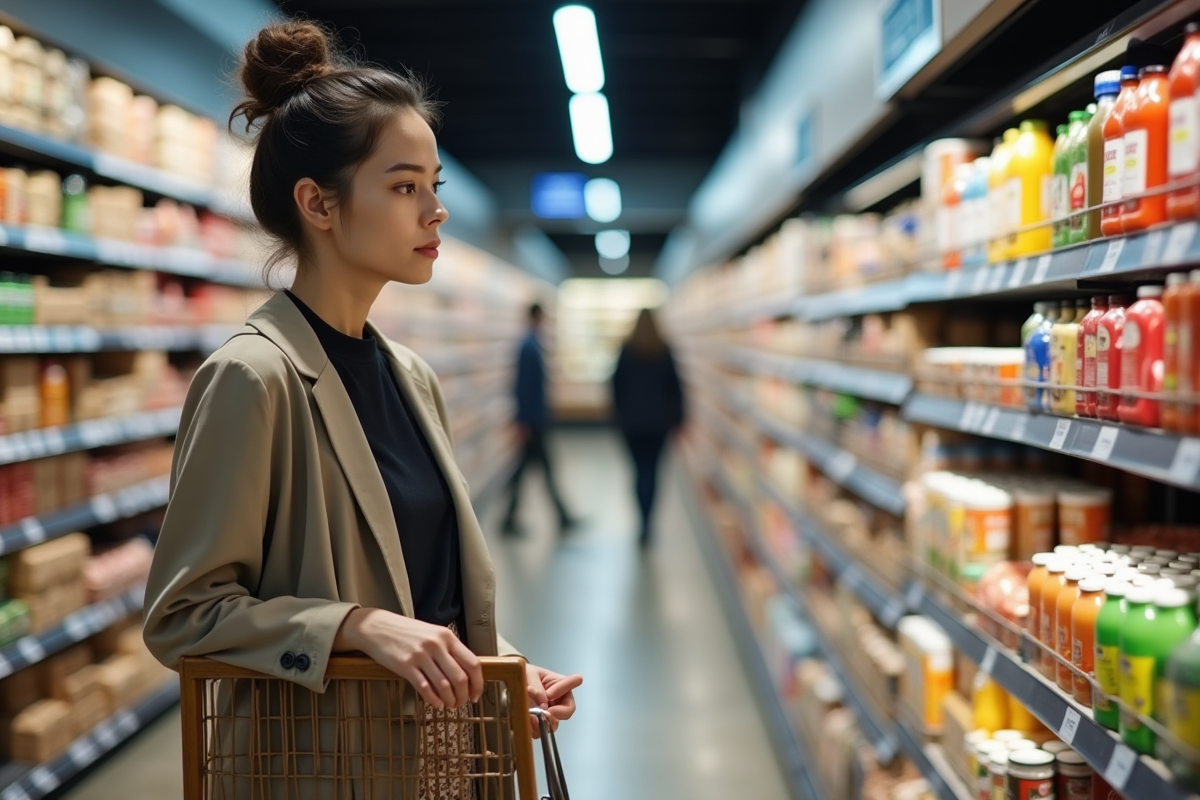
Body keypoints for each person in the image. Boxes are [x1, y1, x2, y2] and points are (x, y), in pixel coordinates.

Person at [141, 20, 581, 797]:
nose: (433, 211)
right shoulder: (254, 378)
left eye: (434, 187)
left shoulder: (412, 377)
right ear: (318, 202)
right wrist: (350, 625)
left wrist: (498, 664)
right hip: (319, 770)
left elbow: (421, 596)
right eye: (405, 186)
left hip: (442, 766)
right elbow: (184, 614)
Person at [611, 308, 685, 547]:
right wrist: (679, 419)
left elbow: (615, 384)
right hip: (658, 423)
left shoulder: (627, 349)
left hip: (631, 423)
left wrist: (618, 413)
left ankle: (641, 520)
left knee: (637, 470)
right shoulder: (664, 350)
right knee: (652, 471)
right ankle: (647, 522)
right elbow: (675, 388)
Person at [502, 303, 577, 535]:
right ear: (537, 317)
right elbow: (523, 387)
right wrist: (524, 420)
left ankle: (514, 517)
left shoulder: (531, 344)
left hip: (534, 418)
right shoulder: (529, 346)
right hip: (533, 420)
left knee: (530, 468)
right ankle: (561, 516)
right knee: (539, 468)